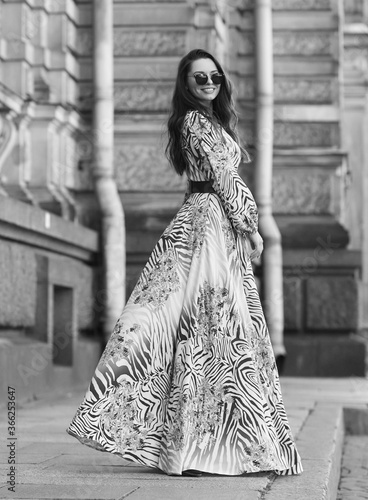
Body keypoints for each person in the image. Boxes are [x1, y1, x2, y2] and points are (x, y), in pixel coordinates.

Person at [66, 49, 303, 477]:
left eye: (215, 76)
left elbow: (223, 175)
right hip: (211, 221)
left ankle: (204, 441)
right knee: (208, 327)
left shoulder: (207, 121)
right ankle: (201, 444)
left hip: (208, 220)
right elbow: (223, 177)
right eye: (200, 78)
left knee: (206, 328)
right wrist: (251, 226)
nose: (209, 83)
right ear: (186, 84)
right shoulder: (194, 121)